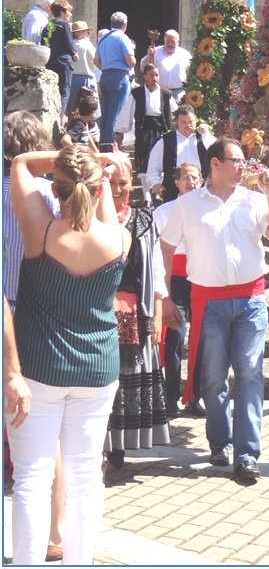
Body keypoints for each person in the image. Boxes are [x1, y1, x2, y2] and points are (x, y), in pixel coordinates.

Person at [6, 144, 131, 565]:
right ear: (100, 191)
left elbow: (20, 163)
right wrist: (101, 166)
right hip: (98, 369)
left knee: (32, 480)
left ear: (55, 190)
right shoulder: (119, 238)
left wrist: (64, 151)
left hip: (39, 367)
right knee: (83, 479)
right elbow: (100, 204)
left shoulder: (39, 229)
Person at [160, 138, 269, 482]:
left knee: (249, 373)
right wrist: (163, 295)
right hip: (209, 301)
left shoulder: (255, 201)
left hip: (251, 300)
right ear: (214, 164)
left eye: (244, 160)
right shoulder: (187, 205)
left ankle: (247, 453)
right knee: (214, 378)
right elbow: (166, 247)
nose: (242, 166)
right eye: (235, 160)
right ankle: (220, 441)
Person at [2, 111, 66, 562]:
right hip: (41, 320)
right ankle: (55, 536)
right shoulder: (54, 197)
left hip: (16, 312)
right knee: (48, 437)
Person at [103, 163, 170, 467]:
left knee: (130, 376)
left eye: (124, 183)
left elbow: (157, 271)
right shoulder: (93, 217)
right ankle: (103, 443)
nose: (118, 190)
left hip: (136, 312)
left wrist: (156, 314)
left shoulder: (144, 219)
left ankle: (121, 445)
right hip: (101, 311)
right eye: (112, 183)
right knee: (106, 378)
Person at [152, 163, 204, 418]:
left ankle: (195, 396)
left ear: (202, 181)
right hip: (174, 278)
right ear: (177, 183)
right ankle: (171, 396)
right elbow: (158, 254)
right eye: (185, 178)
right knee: (174, 338)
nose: (190, 182)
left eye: (195, 178)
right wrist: (167, 296)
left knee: (202, 340)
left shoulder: (208, 209)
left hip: (202, 277)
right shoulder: (163, 212)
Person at [115, 64, 178, 174]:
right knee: (145, 161)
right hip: (144, 130)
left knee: (163, 158)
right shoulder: (137, 94)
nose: (154, 78)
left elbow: (176, 112)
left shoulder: (166, 94)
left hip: (162, 129)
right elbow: (126, 113)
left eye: (157, 75)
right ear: (145, 76)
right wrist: (120, 132)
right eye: (151, 75)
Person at [147, 105, 214, 202]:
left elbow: (218, 152)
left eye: (191, 122)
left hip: (202, 188)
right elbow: (153, 166)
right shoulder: (166, 141)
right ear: (177, 122)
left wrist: (206, 134)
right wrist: (155, 183)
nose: (188, 125)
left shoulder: (204, 137)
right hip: (173, 190)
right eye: (184, 122)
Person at [95, 11, 137, 144]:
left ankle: (103, 143)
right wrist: (134, 62)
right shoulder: (122, 37)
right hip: (119, 76)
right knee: (117, 113)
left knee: (106, 113)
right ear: (125, 24)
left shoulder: (103, 38)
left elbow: (96, 60)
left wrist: (107, 67)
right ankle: (110, 145)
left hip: (105, 76)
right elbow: (130, 60)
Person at [43, 0, 77, 118]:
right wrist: (74, 53)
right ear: (62, 12)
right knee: (64, 92)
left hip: (50, 62)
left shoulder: (48, 25)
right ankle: (58, 119)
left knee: (53, 90)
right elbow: (69, 42)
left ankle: (51, 117)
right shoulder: (64, 24)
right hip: (64, 62)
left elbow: (44, 43)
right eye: (68, 11)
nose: (70, 15)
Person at [140, 29, 192, 96]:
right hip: (160, 91)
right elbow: (143, 68)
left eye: (173, 42)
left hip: (179, 92)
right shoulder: (155, 51)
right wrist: (148, 56)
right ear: (164, 40)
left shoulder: (185, 54)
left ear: (178, 42)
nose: (170, 44)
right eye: (167, 41)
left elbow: (192, 71)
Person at [67, 20, 97, 119]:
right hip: (86, 77)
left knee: (72, 107)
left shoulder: (70, 45)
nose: (89, 35)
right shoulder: (87, 45)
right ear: (81, 33)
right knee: (88, 106)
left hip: (72, 78)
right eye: (87, 32)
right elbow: (95, 59)